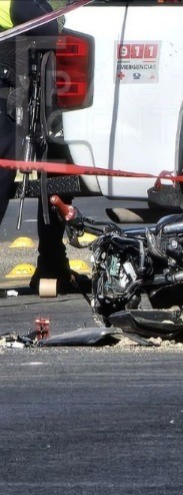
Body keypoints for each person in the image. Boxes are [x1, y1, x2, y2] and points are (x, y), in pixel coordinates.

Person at [0, 0, 71, 290]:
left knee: (55, 167)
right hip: (7, 100)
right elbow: (48, 25)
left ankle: (52, 261)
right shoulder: (17, 3)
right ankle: (51, 260)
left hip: (17, 96)